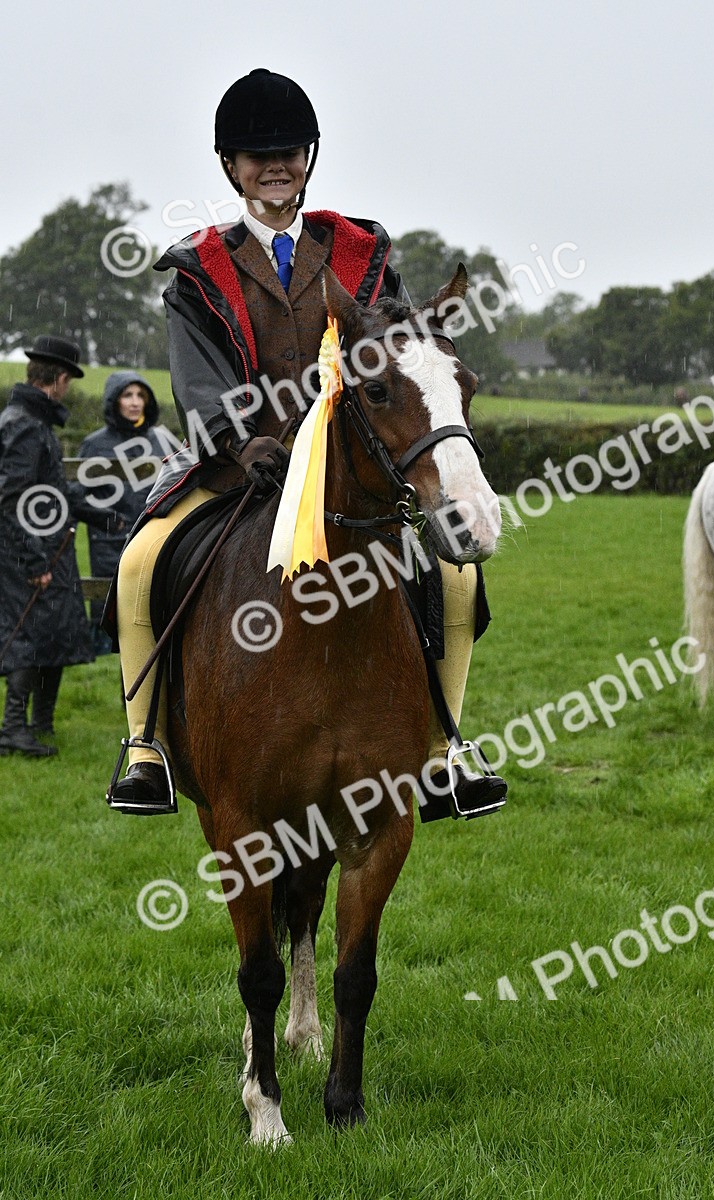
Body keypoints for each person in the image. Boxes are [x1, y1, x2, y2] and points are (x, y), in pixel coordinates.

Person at [107, 68, 507, 820]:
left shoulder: (361, 251)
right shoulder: (197, 269)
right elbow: (196, 378)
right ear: (231, 167)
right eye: (258, 156)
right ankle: (145, 750)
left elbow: (399, 348)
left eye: (288, 152)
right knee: (140, 561)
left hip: (350, 468)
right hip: (239, 470)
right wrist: (240, 441)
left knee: (455, 575)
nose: (276, 166)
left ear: (308, 158)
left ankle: (443, 751)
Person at [0, 336, 119, 756]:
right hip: (29, 553)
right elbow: (11, 500)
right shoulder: (24, 426)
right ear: (60, 379)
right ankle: (12, 729)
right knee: (28, 635)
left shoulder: (33, 422)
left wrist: (105, 517)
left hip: (46, 549)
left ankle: (41, 723)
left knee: (52, 633)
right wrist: (33, 561)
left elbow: (53, 491)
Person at [79, 372, 172, 653]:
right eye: (127, 395)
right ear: (114, 400)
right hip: (110, 545)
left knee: (153, 622)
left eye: (140, 395)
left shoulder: (162, 440)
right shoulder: (95, 445)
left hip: (154, 541)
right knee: (119, 627)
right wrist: (112, 521)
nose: (135, 402)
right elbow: (79, 495)